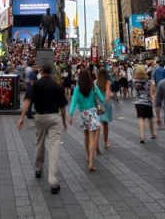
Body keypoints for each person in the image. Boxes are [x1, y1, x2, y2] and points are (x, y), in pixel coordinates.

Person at [18, 62, 68, 194]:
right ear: (50, 72)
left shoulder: (37, 85)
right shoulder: (55, 85)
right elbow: (62, 106)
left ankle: (38, 168)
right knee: (54, 147)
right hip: (53, 117)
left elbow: (28, 101)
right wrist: (64, 121)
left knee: (39, 143)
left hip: (39, 117)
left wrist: (22, 117)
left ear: (41, 71)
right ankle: (53, 181)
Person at [68, 69, 104, 173]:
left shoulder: (77, 89)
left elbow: (73, 103)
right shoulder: (93, 86)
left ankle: (88, 155)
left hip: (83, 114)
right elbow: (101, 99)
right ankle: (91, 163)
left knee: (86, 135)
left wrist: (70, 115)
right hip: (92, 112)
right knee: (92, 137)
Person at [132, 65, 156, 143]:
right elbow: (151, 93)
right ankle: (152, 134)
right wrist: (154, 100)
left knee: (141, 118)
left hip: (138, 102)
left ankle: (142, 136)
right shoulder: (148, 82)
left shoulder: (134, 82)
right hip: (147, 102)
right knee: (149, 118)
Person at [96, 68, 113, 152]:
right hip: (106, 105)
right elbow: (107, 95)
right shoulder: (108, 82)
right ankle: (105, 143)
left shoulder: (95, 82)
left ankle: (96, 143)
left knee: (98, 124)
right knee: (105, 125)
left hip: (98, 104)